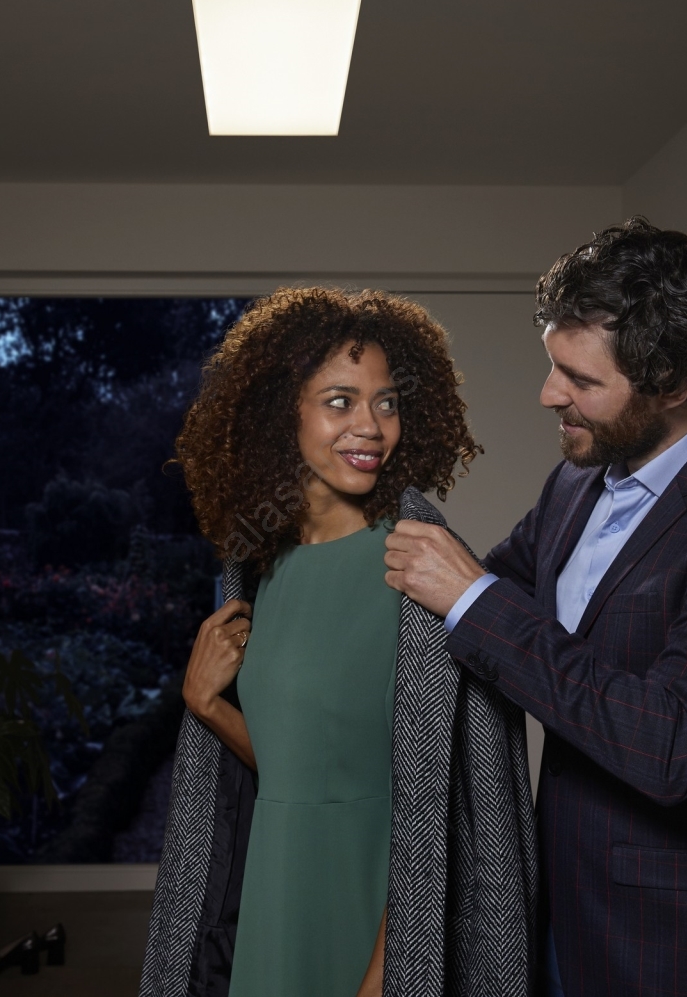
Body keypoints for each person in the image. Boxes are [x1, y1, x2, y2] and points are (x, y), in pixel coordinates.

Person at [384, 219, 687, 997]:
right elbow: (475, 605)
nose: (548, 394)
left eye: (580, 379)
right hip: (556, 917)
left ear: (672, 383)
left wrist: (472, 598)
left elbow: (669, 744)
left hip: (682, 944)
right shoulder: (577, 480)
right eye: (552, 365)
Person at [142, 288, 538, 997]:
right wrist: (208, 706)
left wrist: (386, 976)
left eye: (386, 402)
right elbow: (304, 767)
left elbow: (432, 810)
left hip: (367, 914)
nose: (371, 427)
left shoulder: (416, 571)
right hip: (274, 896)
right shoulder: (256, 570)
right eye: (340, 401)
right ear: (280, 412)